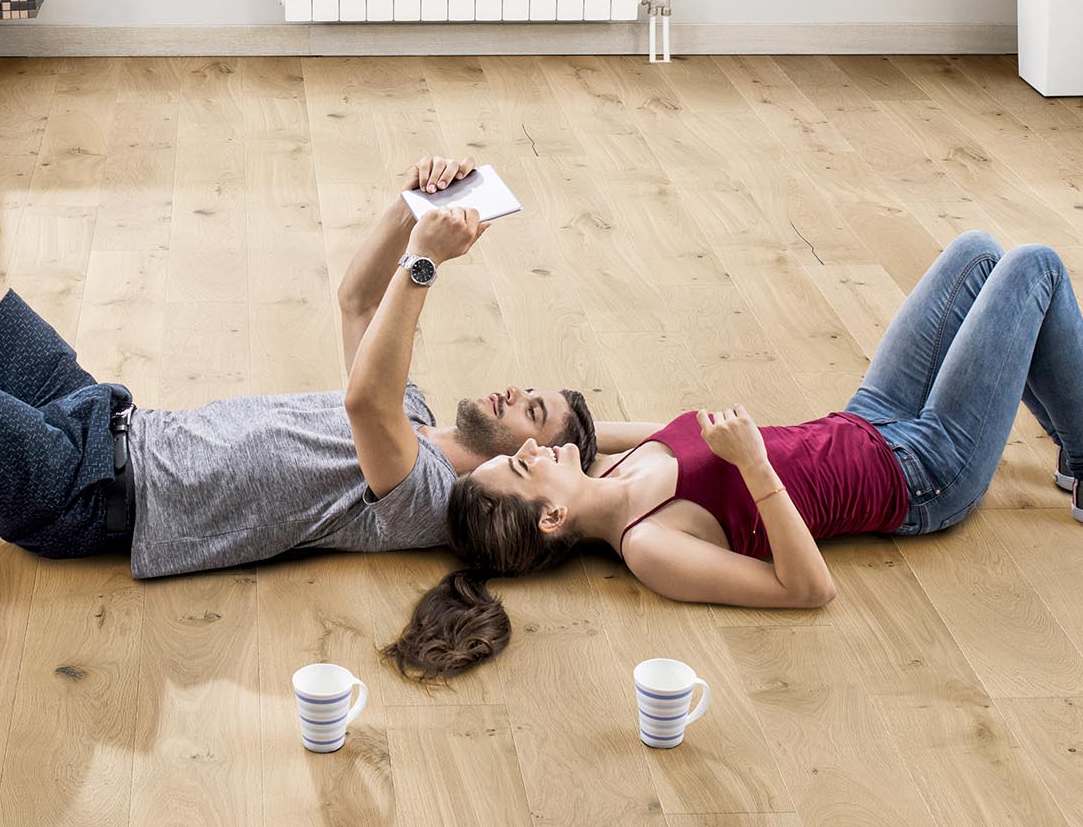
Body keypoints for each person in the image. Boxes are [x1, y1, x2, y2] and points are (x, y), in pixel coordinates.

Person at [0, 153, 596, 594]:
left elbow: (362, 394)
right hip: (103, 420)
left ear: (532, 465)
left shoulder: (422, 497)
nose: (517, 392)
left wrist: (430, 266)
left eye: (536, 414)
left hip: (87, 494)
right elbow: (359, 303)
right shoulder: (420, 415)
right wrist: (413, 210)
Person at [388, 231, 1083, 679]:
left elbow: (599, 426)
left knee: (977, 253)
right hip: (924, 472)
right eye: (521, 466)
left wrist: (448, 445)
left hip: (866, 417)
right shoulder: (651, 548)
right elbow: (807, 591)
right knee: (1034, 267)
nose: (533, 447)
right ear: (551, 517)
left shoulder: (604, 470)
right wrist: (753, 466)